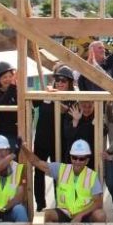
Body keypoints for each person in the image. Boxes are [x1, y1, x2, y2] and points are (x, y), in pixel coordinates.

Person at [21, 139, 107, 223]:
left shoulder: (92, 175)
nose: (77, 161)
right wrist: (23, 147)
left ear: (87, 160)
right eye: (74, 157)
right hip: (65, 212)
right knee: (40, 217)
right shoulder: (61, 169)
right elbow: (37, 162)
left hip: (84, 214)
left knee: (100, 215)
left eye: (81, 159)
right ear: (71, 157)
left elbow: (98, 203)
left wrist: (80, 215)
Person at [32, 65, 74, 211]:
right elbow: (31, 101)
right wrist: (44, 94)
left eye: (63, 80)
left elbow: (70, 114)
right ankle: (40, 205)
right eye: (57, 79)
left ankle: (60, 204)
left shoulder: (72, 98)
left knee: (59, 173)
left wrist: (56, 100)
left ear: (70, 83)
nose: (60, 83)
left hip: (59, 142)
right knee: (38, 172)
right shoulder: (47, 93)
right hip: (41, 141)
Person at [0, 61, 18, 149]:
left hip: (18, 132)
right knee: (5, 159)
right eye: (4, 77)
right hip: (3, 134)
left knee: (18, 160)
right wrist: (12, 87)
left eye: (10, 76)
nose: (8, 79)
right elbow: (1, 106)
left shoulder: (17, 92)